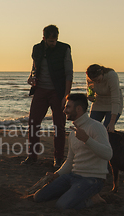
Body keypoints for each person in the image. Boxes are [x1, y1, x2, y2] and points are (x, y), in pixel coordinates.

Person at [33, 93, 111, 210]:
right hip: (73, 176)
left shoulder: (96, 127)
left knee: (63, 205)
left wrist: (87, 140)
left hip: (92, 179)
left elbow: (108, 154)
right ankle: (73, 194)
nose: (64, 110)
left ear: (78, 109)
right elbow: (70, 161)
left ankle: (94, 199)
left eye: (68, 107)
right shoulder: (73, 133)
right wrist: (57, 174)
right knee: (38, 197)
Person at [22, 24, 73, 168]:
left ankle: (58, 158)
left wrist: (66, 95)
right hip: (40, 90)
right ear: (44, 38)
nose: (53, 43)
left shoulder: (64, 48)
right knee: (33, 123)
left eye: (55, 40)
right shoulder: (37, 48)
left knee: (59, 126)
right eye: (50, 41)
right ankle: (32, 156)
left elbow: (69, 73)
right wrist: (30, 78)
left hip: (58, 91)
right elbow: (34, 67)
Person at [85, 64, 123, 132]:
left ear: (101, 72)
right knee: (91, 128)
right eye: (94, 81)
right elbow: (90, 91)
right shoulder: (89, 78)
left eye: (98, 80)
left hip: (113, 103)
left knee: (106, 130)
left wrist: (112, 123)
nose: (97, 82)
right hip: (99, 102)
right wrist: (90, 96)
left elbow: (115, 99)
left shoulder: (111, 76)